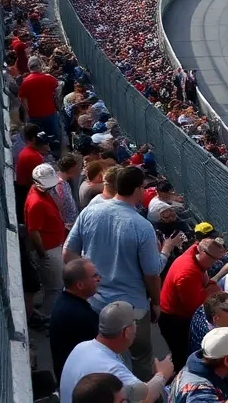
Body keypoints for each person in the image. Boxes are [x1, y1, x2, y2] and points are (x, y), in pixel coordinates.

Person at [65, 165, 185, 381]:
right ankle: (143, 396)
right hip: (134, 308)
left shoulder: (90, 211)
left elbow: (69, 253)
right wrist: (156, 303)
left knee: (104, 359)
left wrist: (90, 282)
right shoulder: (142, 226)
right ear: (138, 189)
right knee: (142, 357)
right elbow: (152, 272)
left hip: (95, 304)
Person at [58, 300, 175, 403]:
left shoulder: (81, 347)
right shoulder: (112, 370)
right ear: (127, 332)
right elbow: (144, 399)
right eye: (134, 323)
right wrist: (163, 374)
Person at [159, 235, 228, 368]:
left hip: (175, 312)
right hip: (175, 320)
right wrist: (212, 285)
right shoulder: (187, 274)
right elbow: (195, 307)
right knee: (182, 358)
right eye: (214, 260)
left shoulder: (193, 251)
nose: (216, 263)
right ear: (203, 252)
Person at [49, 257, 102, 382]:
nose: (98, 279)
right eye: (94, 276)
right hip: (81, 382)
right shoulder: (80, 316)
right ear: (80, 285)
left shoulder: (65, 302)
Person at [25, 162, 67, 315]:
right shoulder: (37, 202)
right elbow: (34, 231)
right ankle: (46, 316)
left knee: (53, 286)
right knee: (55, 287)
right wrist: (43, 253)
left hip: (53, 246)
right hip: (49, 250)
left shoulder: (40, 194)